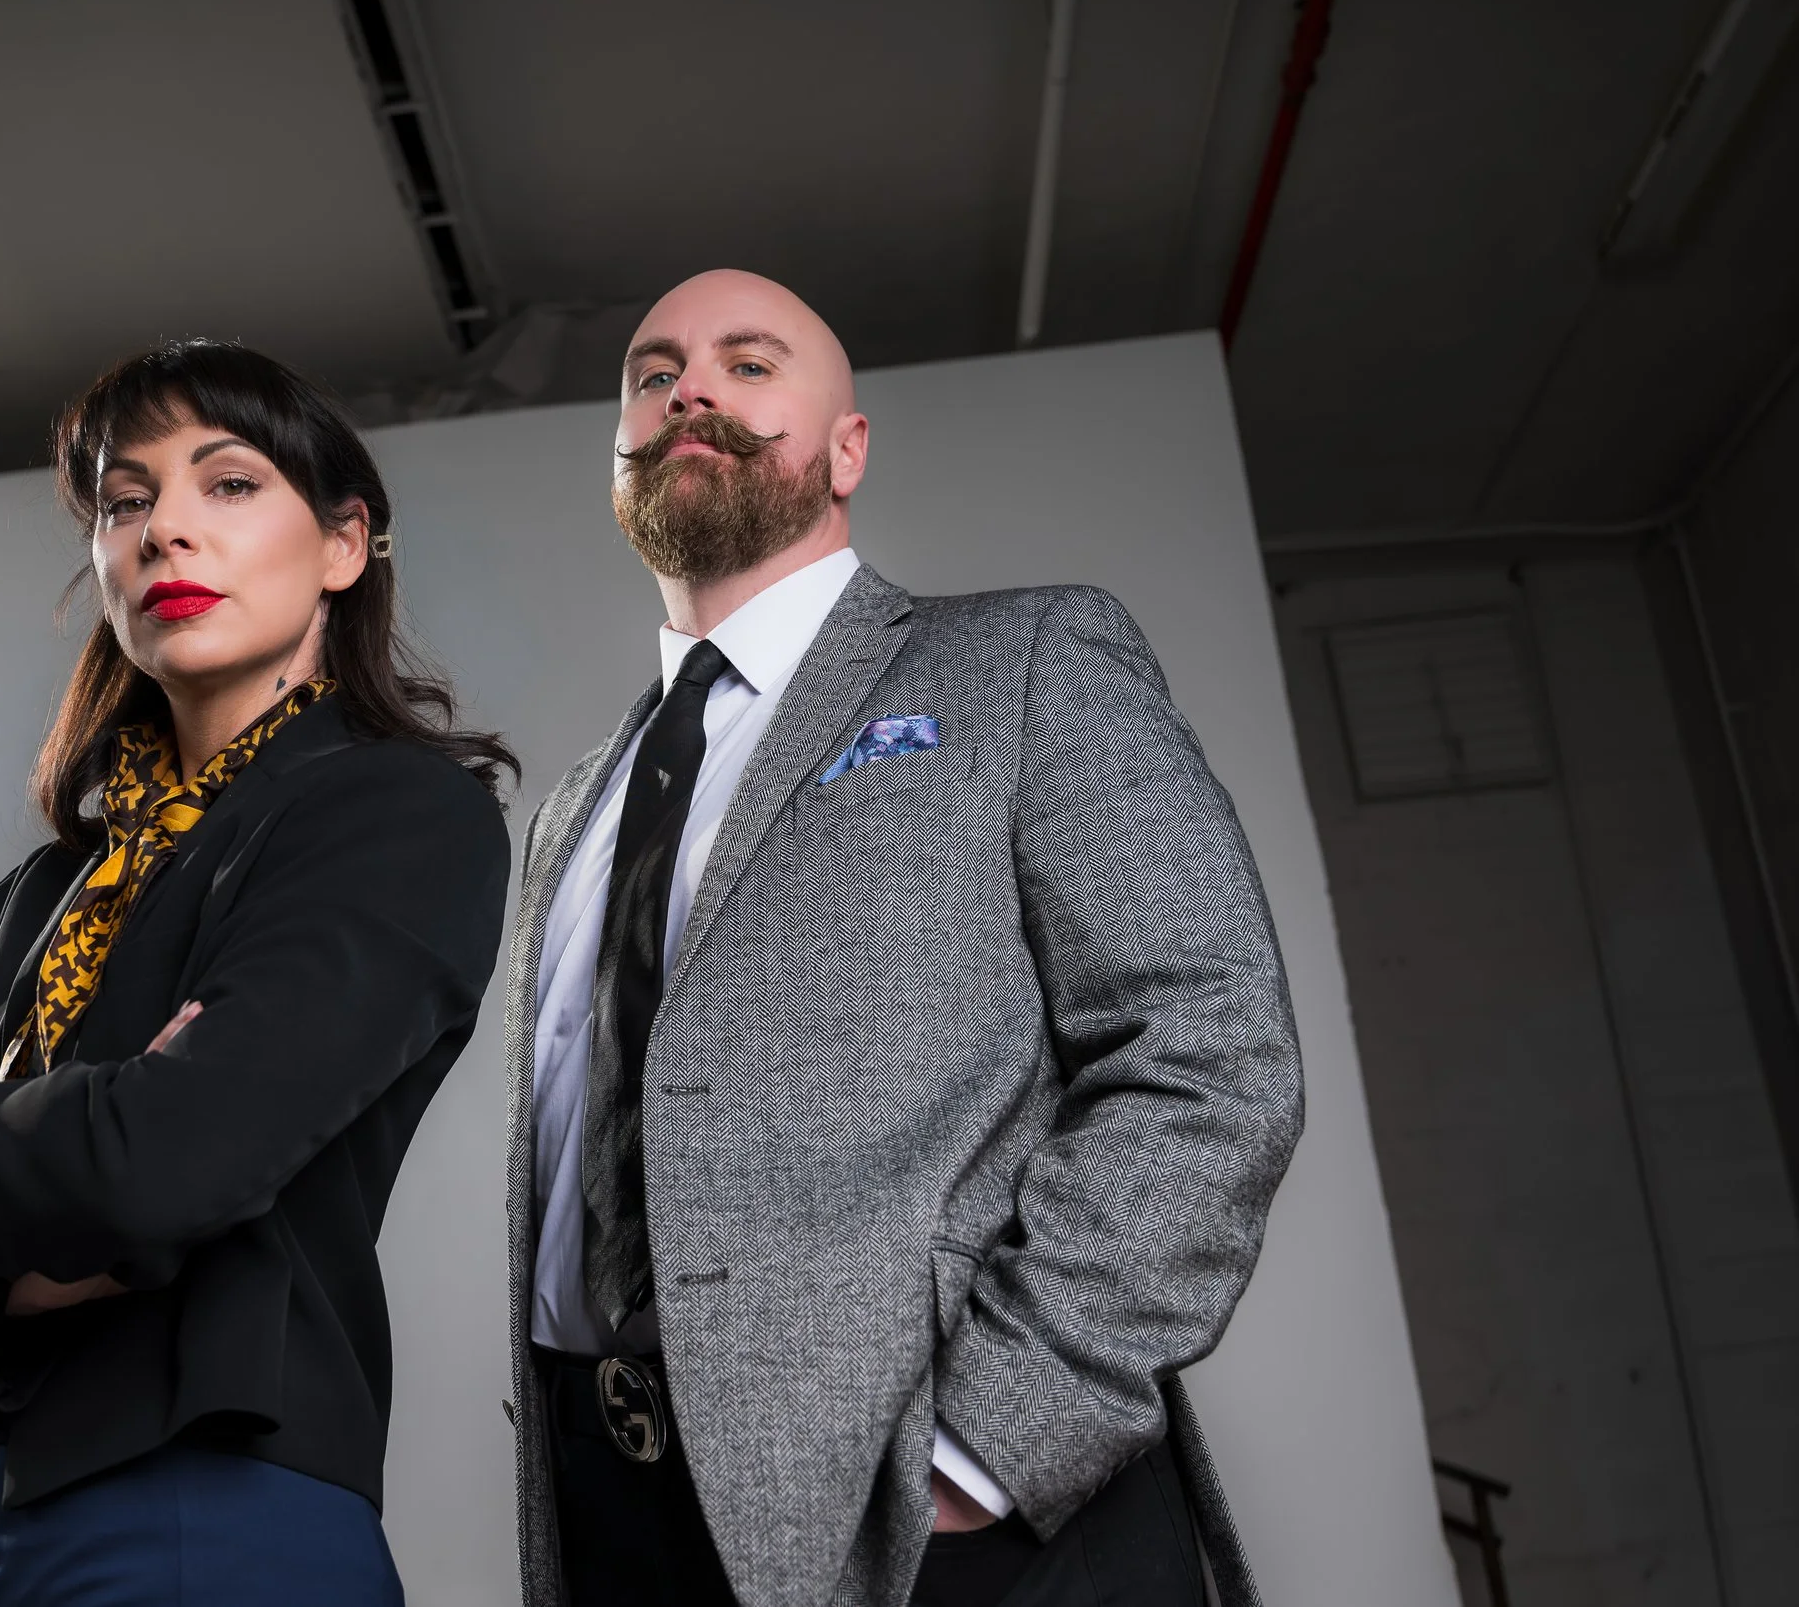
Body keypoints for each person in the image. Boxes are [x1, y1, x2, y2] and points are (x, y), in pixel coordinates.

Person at [505, 270, 1305, 1607]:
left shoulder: (1026, 659)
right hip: (614, 1512)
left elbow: (1208, 1057)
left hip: (955, 1519)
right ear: (620, 460)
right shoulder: (574, 805)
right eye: (654, 373)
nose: (691, 386)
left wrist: (988, 1444)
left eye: (749, 365)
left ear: (848, 448)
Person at [0, 340, 515, 1607]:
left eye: (227, 485)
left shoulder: (397, 814)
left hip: (212, 1492)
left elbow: (170, 1159)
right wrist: (46, 1209)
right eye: (125, 501)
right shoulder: (48, 888)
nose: (164, 530)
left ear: (344, 544)